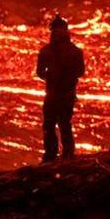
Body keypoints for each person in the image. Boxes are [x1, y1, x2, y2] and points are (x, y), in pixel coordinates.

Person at [35, 15, 85, 163]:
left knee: (49, 124)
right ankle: (68, 154)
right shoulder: (75, 51)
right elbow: (80, 72)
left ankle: (50, 154)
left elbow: (39, 72)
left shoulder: (46, 51)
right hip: (68, 94)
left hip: (52, 94)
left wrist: (50, 77)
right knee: (65, 124)